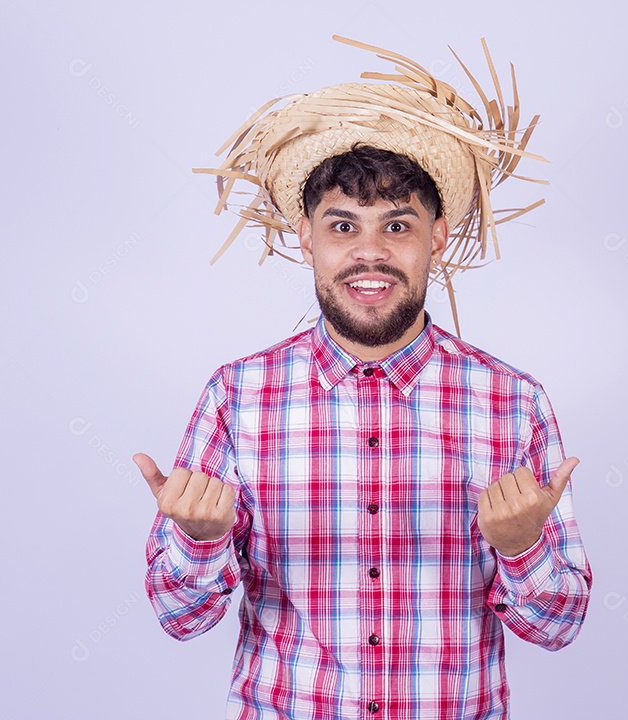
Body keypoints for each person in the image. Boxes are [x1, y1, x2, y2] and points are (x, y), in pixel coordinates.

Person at [134, 37, 592, 720]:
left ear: (436, 237)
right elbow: (180, 619)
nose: (370, 252)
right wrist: (200, 543)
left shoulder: (512, 403)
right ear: (305, 236)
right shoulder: (237, 397)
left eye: (398, 225)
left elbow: (558, 626)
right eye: (343, 225)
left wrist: (523, 548)